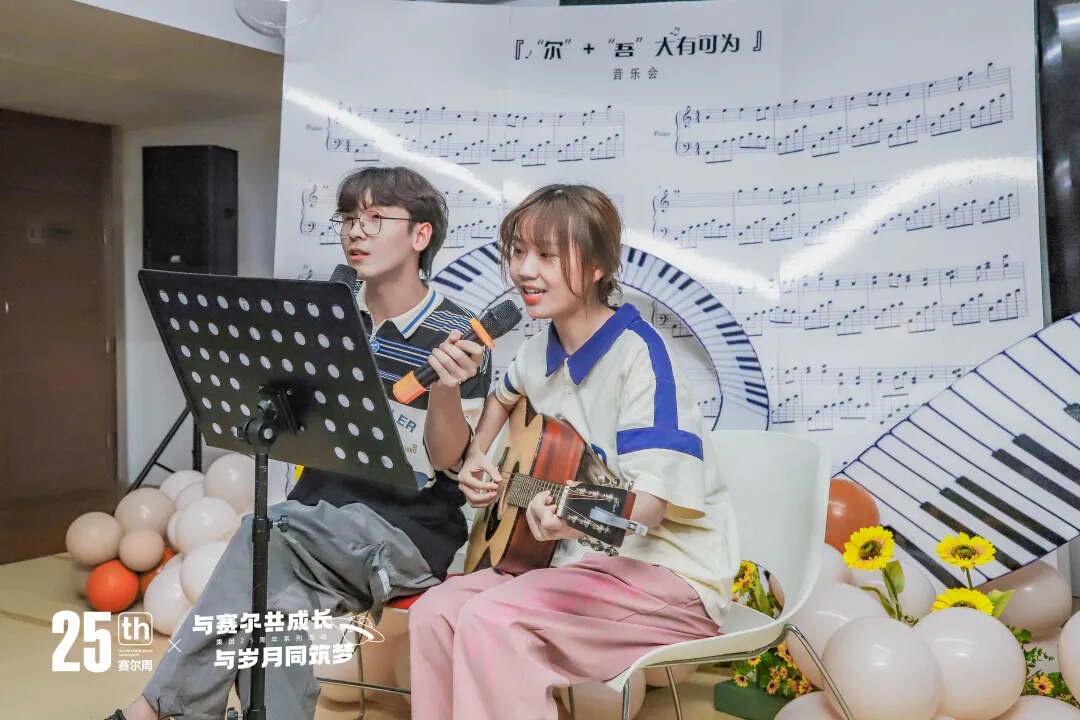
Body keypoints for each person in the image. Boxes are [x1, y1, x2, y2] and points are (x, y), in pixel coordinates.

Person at [107, 166, 491, 720]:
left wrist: (446, 389)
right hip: (314, 522)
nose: (355, 231)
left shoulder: (457, 332)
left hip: (406, 534)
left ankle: (159, 708)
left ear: (420, 234)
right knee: (274, 598)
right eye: (349, 218)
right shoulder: (324, 317)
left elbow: (448, 460)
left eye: (375, 218)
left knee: (268, 536)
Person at [408, 184, 739, 720]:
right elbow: (499, 405)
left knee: (496, 620)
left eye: (546, 255)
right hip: (570, 566)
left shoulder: (642, 358)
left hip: (668, 577)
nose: (524, 270)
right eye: (518, 252)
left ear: (597, 266)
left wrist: (569, 512)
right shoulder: (537, 350)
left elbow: (651, 506)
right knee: (436, 613)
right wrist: (476, 462)